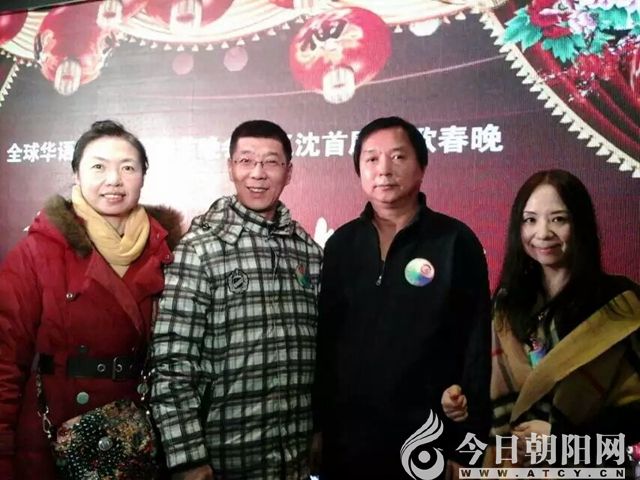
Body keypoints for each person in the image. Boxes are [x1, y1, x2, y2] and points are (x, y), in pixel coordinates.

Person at [0, 120, 182, 479]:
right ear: (76, 175)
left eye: (127, 168)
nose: (114, 180)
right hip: (55, 434)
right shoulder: (38, 251)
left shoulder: (166, 249)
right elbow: (6, 360)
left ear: (143, 176)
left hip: (135, 435)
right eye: (99, 166)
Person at [314, 116, 492, 479]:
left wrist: (469, 449)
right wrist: (316, 429)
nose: (384, 170)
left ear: (422, 166)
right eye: (371, 159)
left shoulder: (455, 242)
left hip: (430, 443)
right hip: (347, 444)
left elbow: (477, 349)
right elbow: (324, 345)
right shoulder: (340, 245)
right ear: (359, 169)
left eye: (398, 157)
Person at [149, 119, 323, 480]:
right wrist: (187, 459)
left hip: (294, 458)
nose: (258, 173)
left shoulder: (307, 251)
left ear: (289, 172)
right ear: (230, 168)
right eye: (246, 161)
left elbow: (323, 355)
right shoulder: (201, 248)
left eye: (271, 162)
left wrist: (319, 429)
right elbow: (172, 360)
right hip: (222, 459)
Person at [442, 169, 640, 469]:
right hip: (507, 467)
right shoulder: (505, 306)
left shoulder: (622, 306)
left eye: (558, 219)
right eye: (530, 220)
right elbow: (482, 393)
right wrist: (457, 402)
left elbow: (635, 417)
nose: (543, 233)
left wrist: (562, 440)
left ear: (581, 224)